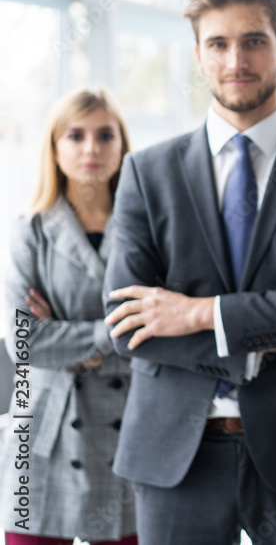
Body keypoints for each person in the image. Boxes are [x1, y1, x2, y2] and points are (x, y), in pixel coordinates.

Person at [102, 0, 276, 544]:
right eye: (217, 44)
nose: (236, 59)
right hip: (174, 452)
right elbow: (125, 325)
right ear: (197, 56)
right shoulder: (147, 173)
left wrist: (196, 314)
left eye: (254, 41)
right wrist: (272, 326)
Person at [2, 87, 137, 544]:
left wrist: (70, 343)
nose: (92, 148)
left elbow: (163, 337)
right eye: (75, 136)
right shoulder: (29, 231)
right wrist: (115, 333)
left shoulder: (150, 230)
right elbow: (26, 343)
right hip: (45, 431)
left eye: (105, 135)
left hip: (131, 428)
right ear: (55, 148)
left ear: (123, 145)